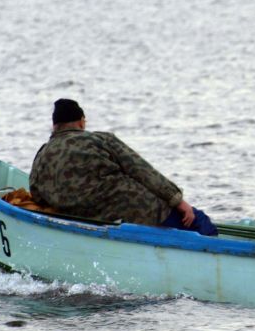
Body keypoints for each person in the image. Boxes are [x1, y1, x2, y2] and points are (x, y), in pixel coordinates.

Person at [29, 99, 217, 236]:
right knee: (202, 223)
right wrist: (179, 202)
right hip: (141, 211)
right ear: (80, 122)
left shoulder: (42, 155)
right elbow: (143, 171)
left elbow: (37, 194)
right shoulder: (99, 140)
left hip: (90, 221)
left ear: (55, 126)